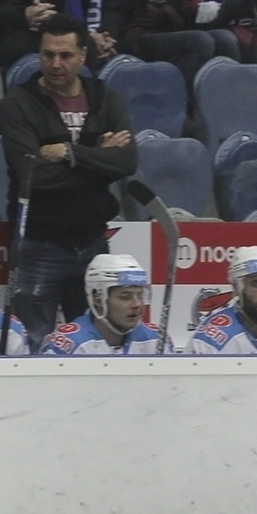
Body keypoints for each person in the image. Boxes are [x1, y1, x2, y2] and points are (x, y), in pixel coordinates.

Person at [0, 14, 137, 349]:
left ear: (83, 55)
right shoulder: (18, 103)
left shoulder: (104, 97)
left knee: (95, 345)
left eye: (65, 55)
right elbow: (33, 176)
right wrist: (97, 158)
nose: (55, 64)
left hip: (92, 241)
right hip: (38, 244)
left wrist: (69, 153)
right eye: (48, 54)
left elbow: (127, 161)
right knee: (31, 345)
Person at [38, 254, 174, 354]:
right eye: (125, 297)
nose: (137, 304)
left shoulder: (156, 339)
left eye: (140, 295)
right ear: (98, 300)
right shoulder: (67, 345)